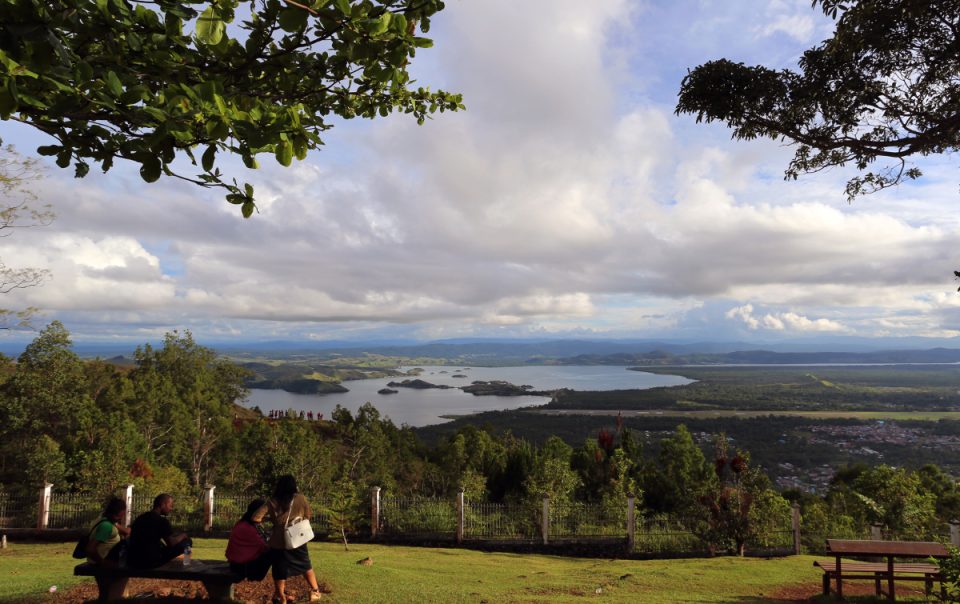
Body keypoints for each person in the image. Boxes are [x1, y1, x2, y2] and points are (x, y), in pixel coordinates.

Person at [254, 475, 322, 603]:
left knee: (279, 568)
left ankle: (280, 596)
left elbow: (256, 518)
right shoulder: (301, 498)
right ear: (293, 486)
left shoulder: (272, 501)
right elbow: (308, 515)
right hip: (297, 539)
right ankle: (315, 591)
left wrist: (273, 520)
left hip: (279, 542)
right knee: (305, 565)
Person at [127, 493, 192, 569]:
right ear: (162, 505)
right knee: (188, 541)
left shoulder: (140, 518)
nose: (171, 508)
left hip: (135, 559)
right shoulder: (161, 521)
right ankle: (187, 563)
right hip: (152, 561)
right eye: (170, 505)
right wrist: (183, 535)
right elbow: (171, 543)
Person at [226, 498, 272, 581]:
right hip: (242, 568)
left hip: (236, 565)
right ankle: (279, 589)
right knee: (276, 553)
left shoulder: (243, 523)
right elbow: (264, 547)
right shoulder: (248, 528)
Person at [86, 496, 130, 566]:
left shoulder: (103, 520)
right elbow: (90, 549)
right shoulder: (106, 526)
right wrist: (103, 562)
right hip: (104, 565)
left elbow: (127, 532)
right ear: (122, 512)